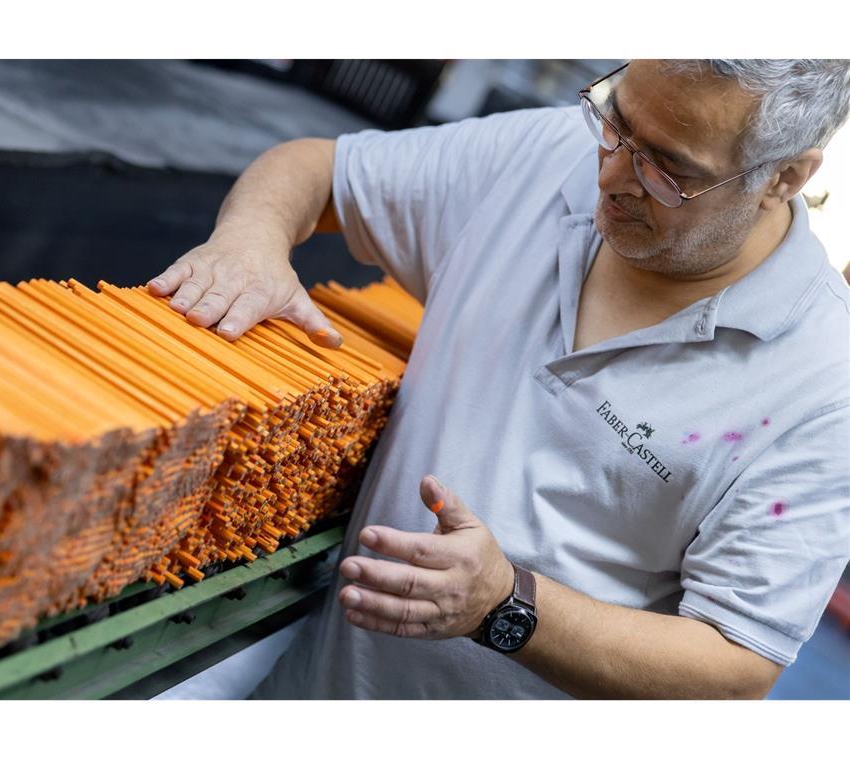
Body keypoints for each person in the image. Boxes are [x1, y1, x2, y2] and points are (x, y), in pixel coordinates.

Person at [146, 59, 850, 699]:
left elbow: (735, 666)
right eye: (615, 122)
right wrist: (251, 241)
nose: (611, 175)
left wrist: (505, 605)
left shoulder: (822, 384)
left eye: (668, 170)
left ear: (785, 177)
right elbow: (319, 168)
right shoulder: (545, 156)